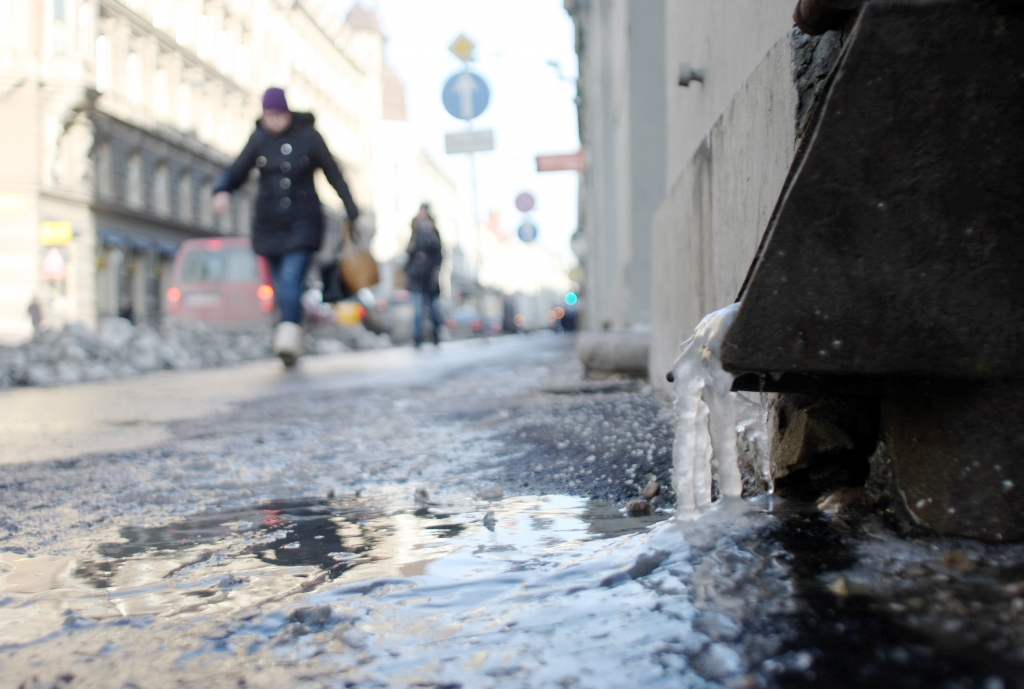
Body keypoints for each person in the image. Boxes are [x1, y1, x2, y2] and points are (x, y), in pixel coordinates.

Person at [212, 87, 359, 366]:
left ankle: (288, 337)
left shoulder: (309, 137)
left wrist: (351, 210)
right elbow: (237, 169)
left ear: (288, 113)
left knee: (291, 280)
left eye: (279, 114)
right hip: (269, 225)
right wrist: (222, 190)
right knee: (282, 287)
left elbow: (334, 174)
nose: (274, 121)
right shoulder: (259, 140)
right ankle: (294, 333)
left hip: (304, 222)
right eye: (269, 115)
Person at [405, 203, 444, 347]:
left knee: (433, 309)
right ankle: (417, 337)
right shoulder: (414, 233)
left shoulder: (434, 234)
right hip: (416, 277)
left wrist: (435, 271)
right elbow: (408, 254)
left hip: (430, 277)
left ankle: (435, 334)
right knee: (417, 309)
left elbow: (439, 255)